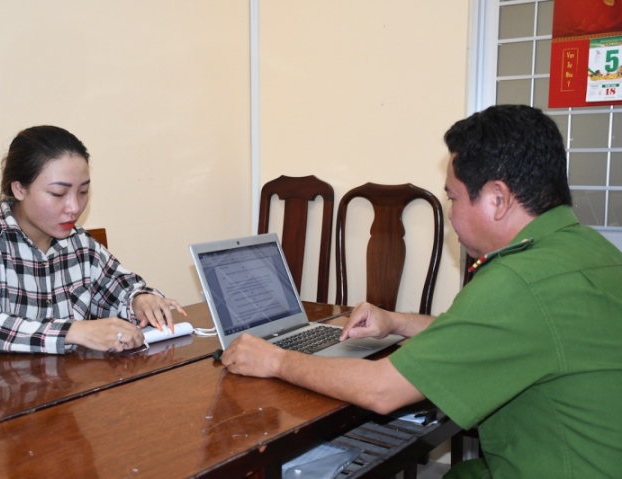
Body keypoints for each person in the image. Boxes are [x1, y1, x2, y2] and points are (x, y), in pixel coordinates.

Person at [220, 105, 622, 478]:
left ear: (498, 199)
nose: (452, 214)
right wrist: (396, 322)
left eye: (453, 197)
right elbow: (489, 333)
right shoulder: (589, 250)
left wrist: (275, 361)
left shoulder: (519, 280)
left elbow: (381, 390)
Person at [0, 125, 185, 357]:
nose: (74, 208)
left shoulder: (79, 243)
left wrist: (139, 300)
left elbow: (121, 289)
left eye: (83, 192)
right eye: (58, 194)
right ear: (19, 188)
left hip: (64, 385)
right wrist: (73, 331)